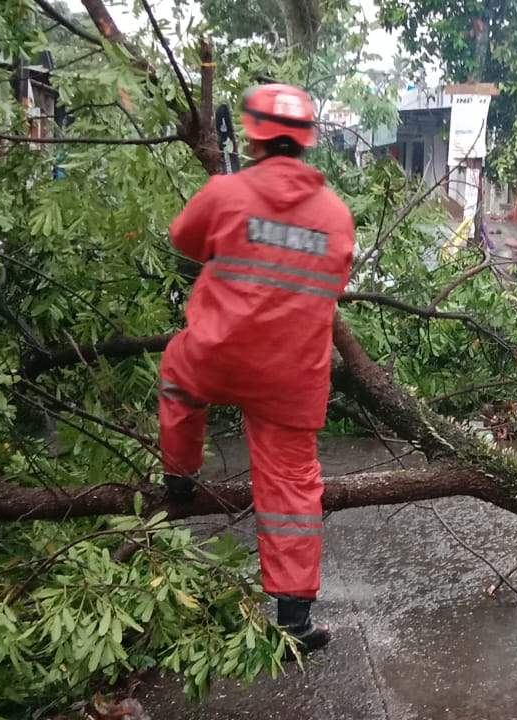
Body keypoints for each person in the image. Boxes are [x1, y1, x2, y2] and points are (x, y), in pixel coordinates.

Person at [157, 83, 354, 655]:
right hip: (293, 375)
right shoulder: (337, 216)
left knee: (176, 373)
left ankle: (179, 478)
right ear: (308, 140)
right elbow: (333, 284)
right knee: (291, 486)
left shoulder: (225, 192)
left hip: (217, 355)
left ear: (253, 134)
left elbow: (184, 240)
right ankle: (294, 620)